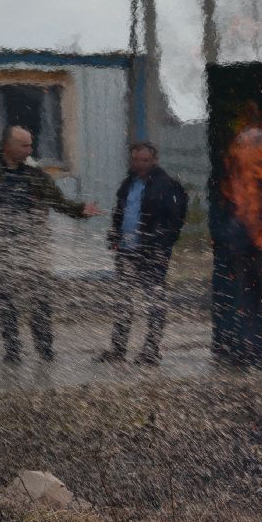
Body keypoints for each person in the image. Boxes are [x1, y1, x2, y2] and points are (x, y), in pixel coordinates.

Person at [0, 125, 101, 363]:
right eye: (25, 145)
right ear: (8, 147)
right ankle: (13, 351)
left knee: (40, 299)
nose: (30, 149)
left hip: (32, 245)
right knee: (6, 301)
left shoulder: (36, 177)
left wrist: (81, 210)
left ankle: (45, 349)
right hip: (0, 248)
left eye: (31, 144)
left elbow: (60, 203)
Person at [100, 141, 188, 364]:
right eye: (136, 160)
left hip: (152, 252)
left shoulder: (166, 185)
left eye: (145, 160)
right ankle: (118, 349)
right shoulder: (127, 184)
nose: (140, 164)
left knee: (154, 301)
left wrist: (161, 242)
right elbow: (120, 213)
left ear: (154, 160)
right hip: (127, 250)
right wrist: (114, 235)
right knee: (123, 300)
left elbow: (176, 218)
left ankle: (151, 349)